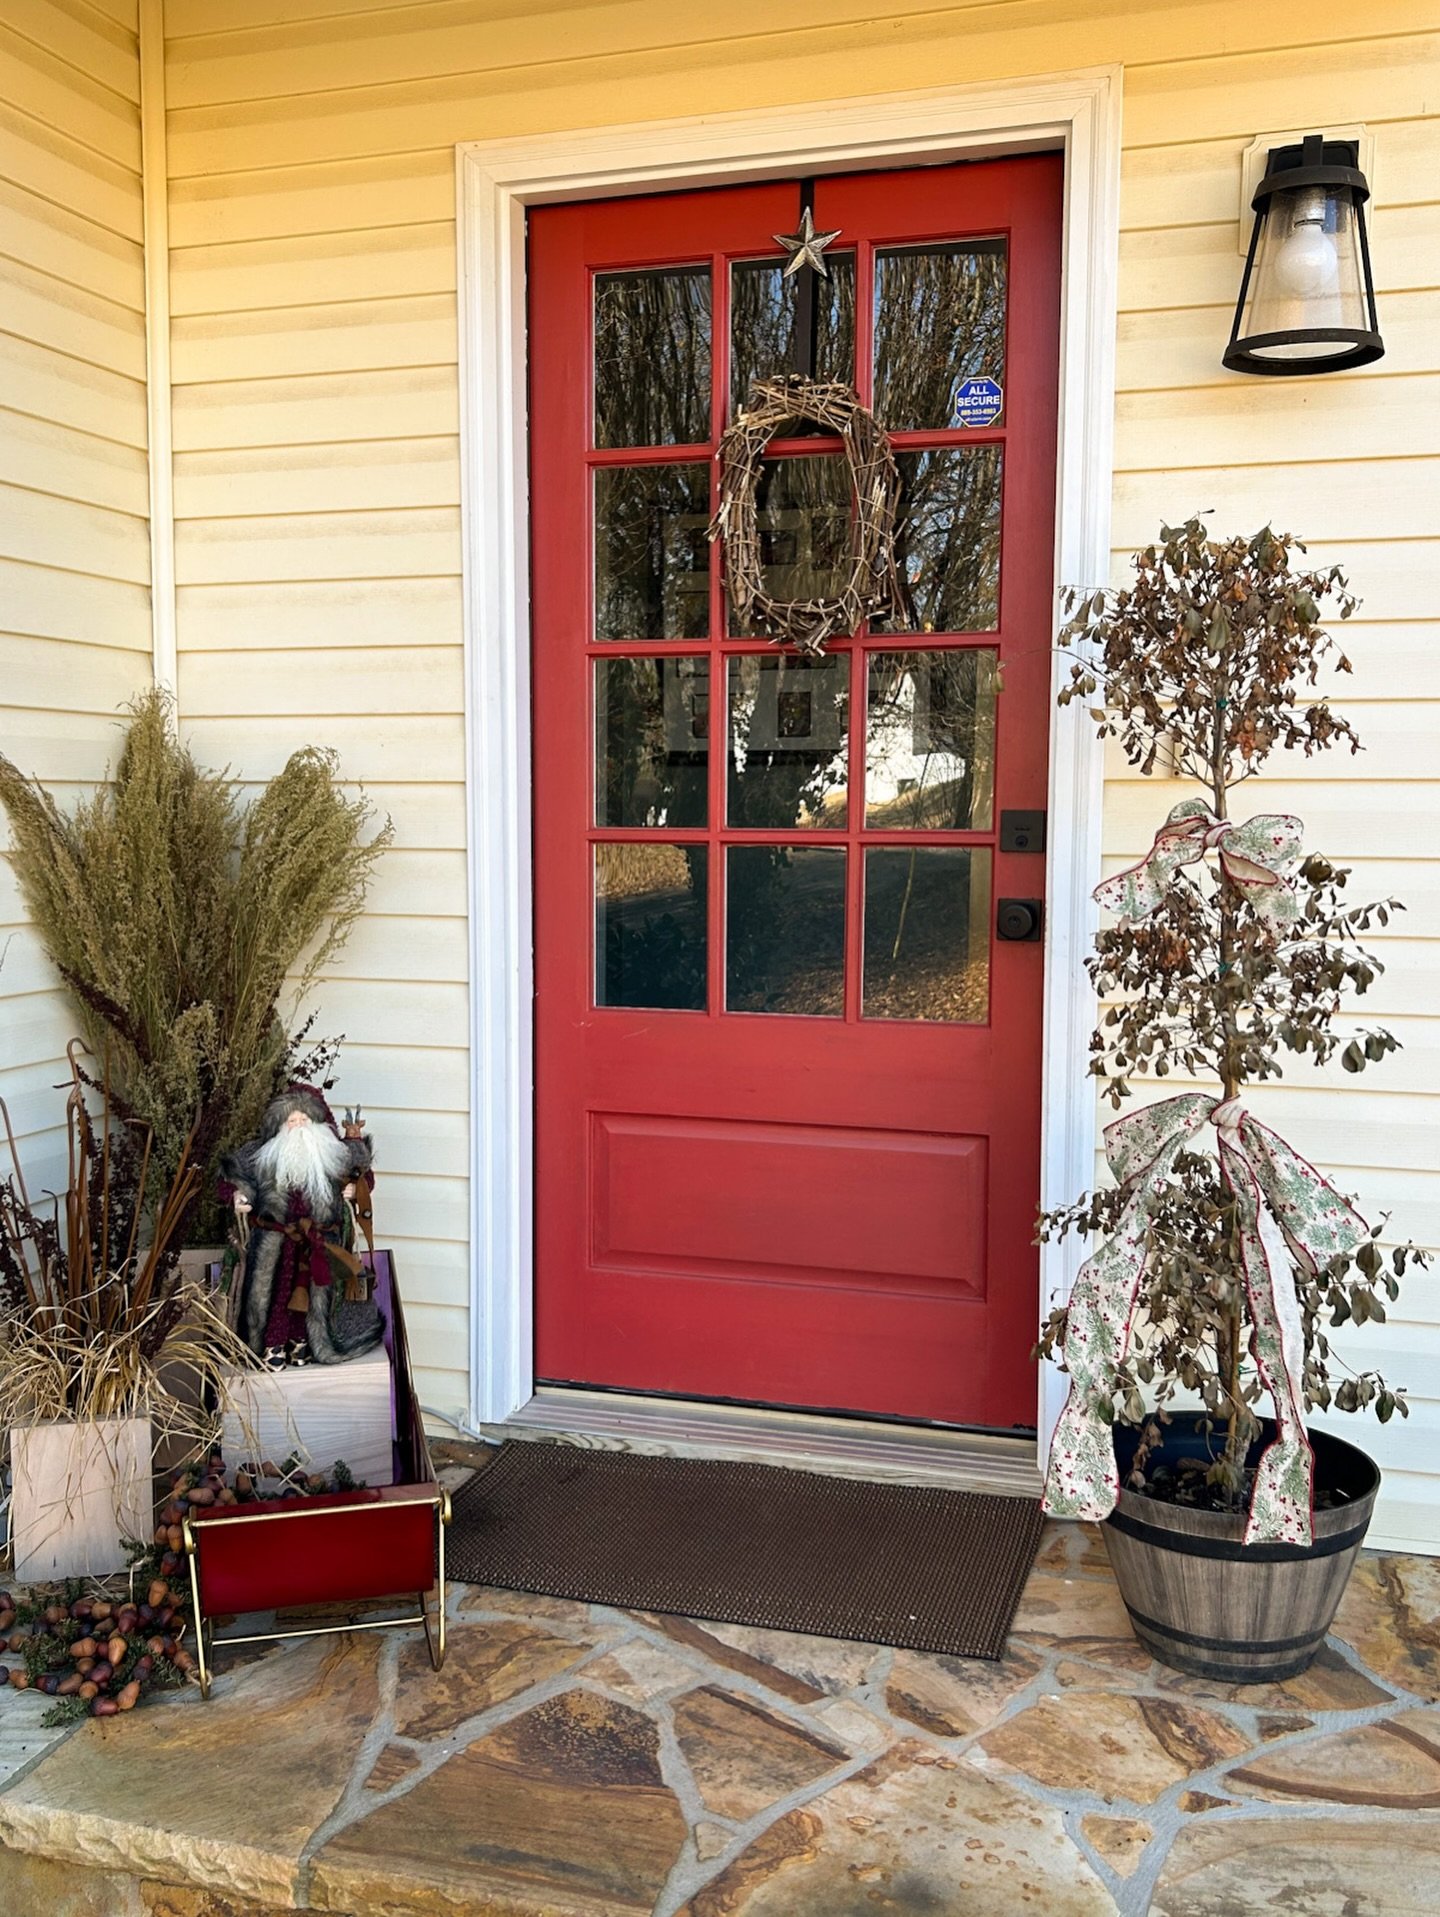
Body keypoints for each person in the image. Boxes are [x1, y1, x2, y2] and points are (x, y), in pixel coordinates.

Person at [219, 1084, 383, 1367]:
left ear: (318, 1124)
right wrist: (238, 1195)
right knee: (274, 1297)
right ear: (280, 1126)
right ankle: (272, 1345)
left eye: (304, 1120)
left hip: (319, 1244)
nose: (298, 1127)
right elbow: (230, 1179)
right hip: (276, 1246)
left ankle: (302, 1345)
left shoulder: (335, 1156)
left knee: (315, 1298)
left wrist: (357, 1191)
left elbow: (364, 1178)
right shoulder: (260, 1157)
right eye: (291, 1121)